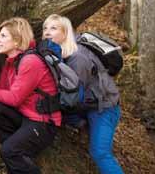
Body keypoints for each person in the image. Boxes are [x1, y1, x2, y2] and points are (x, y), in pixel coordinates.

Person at [0, 17, 61, 174]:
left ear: (17, 41)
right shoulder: (11, 62)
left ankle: (16, 152)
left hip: (43, 124)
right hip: (25, 116)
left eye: (3, 36)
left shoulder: (30, 62)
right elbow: (3, 92)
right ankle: (18, 150)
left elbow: (14, 98)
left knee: (8, 152)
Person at [42, 14, 123, 174]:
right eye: (45, 28)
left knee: (100, 153)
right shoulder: (58, 54)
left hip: (104, 108)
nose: (47, 32)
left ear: (65, 33)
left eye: (53, 28)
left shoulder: (77, 58)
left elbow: (71, 97)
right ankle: (81, 124)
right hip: (87, 103)